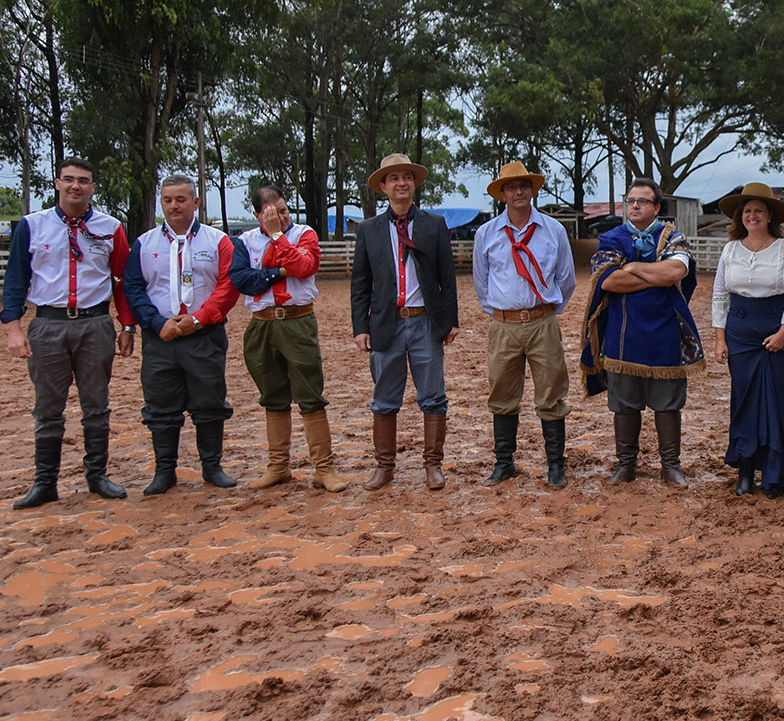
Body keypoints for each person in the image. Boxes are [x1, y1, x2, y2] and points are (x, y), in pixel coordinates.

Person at [3, 158, 137, 508]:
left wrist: (126, 325)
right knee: (48, 408)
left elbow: (122, 281)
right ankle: (45, 481)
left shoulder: (110, 228)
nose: (76, 186)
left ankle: (97, 475)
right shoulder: (33, 226)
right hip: (48, 324)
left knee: (97, 404)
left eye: (84, 181)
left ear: (93, 187)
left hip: (94, 324)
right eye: (69, 180)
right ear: (58, 183)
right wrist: (12, 329)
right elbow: (15, 281)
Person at [122, 175, 240, 495]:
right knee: (160, 404)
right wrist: (156, 323)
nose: (174, 206)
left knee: (210, 401)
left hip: (205, 336)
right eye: (167, 200)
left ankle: (212, 467)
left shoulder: (218, 241)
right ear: (161, 203)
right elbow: (133, 287)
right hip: (160, 337)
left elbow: (228, 285)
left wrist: (199, 320)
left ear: (196, 203)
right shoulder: (144, 244)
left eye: (181, 199)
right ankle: (165, 471)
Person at [581, 177, 704, 486]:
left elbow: (676, 271)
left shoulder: (673, 237)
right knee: (624, 403)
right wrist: (655, 276)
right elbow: (608, 282)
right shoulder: (611, 237)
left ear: (657, 207)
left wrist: (631, 268)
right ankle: (626, 465)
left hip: (665, 332)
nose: (634, 205)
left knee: (668, 403)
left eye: (642, 201)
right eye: (630, 200)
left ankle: (670, 466)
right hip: (623, 334)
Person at [351, 153, 460, 491]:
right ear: (383, 186)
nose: (402, 183)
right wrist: (360, 327)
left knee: (433, 395)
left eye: (407, 177)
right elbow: (360, 282)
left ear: (414, 183)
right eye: (394, 178)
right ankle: (385, 467)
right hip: (386, 324)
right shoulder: (369, 230)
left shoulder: (434, 224)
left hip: (426, 323)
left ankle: (432, 466)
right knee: (384, 397)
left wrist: (450, 320)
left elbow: (447, 276)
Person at [228, 185, 344, 492]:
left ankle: (324, 467)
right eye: (270, 214)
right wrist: (280, 271)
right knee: (273, 396)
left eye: (283, 210)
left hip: (297, 322)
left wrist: (278, 237)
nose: (280, 217)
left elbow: (305, 267)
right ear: (256, 215)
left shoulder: (304, 234)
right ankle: (278, 466)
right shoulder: (245, 242)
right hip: (262, 325)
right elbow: (243, 281)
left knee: (310, 393)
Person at [472, 161, 577, 488]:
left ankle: (556, 465)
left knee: (551, 393)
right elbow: (481, 283)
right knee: (502, 393)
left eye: (524, 186)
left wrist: (546, 310)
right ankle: (504, 463)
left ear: (532, 190)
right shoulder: (486, 234)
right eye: (511, 187)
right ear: (502, 193)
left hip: (543, 322)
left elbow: (567, 279)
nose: (518, 192)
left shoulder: (554, 231)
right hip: (503, 326)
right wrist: (502, 312)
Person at [713, 182, 784, 498]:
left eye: (759, 210)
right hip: (740, 335)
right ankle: (744, 470)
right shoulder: (730, 250)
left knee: (780, 400)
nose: (752, 216)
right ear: (740, 216)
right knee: (745, 402)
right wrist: (720, 339)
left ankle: (779, 473)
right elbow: (719, 297)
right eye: (748, 211)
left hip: (776, 333)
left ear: (770, 216)